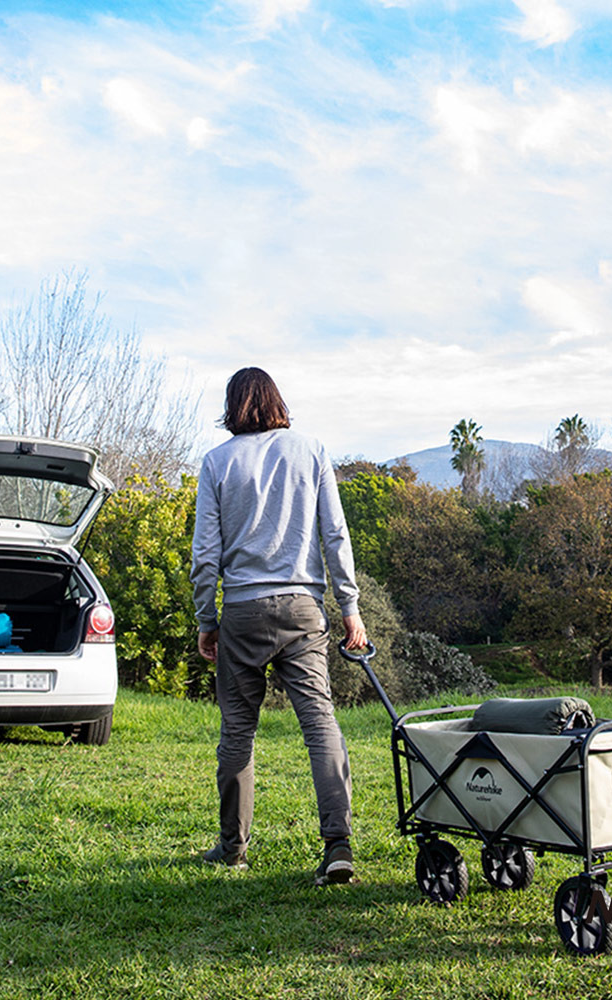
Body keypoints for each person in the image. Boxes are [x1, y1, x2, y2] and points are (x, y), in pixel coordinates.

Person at [190, 367, 367, 885]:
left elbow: (205, 555)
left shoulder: (216, 462)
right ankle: (338, 847)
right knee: (320, 725)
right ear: (276, 401)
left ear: (233, 407)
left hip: (241, 613)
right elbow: (335, 534)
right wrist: (350, 608)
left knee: (237, 731)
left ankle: (233, 849)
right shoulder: (311, 451)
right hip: (302, 609)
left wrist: (207, 618)